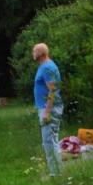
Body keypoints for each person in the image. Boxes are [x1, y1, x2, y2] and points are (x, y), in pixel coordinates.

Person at [32, 43, 64, 177]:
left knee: (50, 142)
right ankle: (55, 172)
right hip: (46, 108)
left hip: (49, 109)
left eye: (34, 50)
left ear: (41, 53)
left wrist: (47, 112)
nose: (32, 53)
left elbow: (53, 90)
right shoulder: (45, 66)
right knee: (49, 142)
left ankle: (57, 174)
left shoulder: (47, 68)